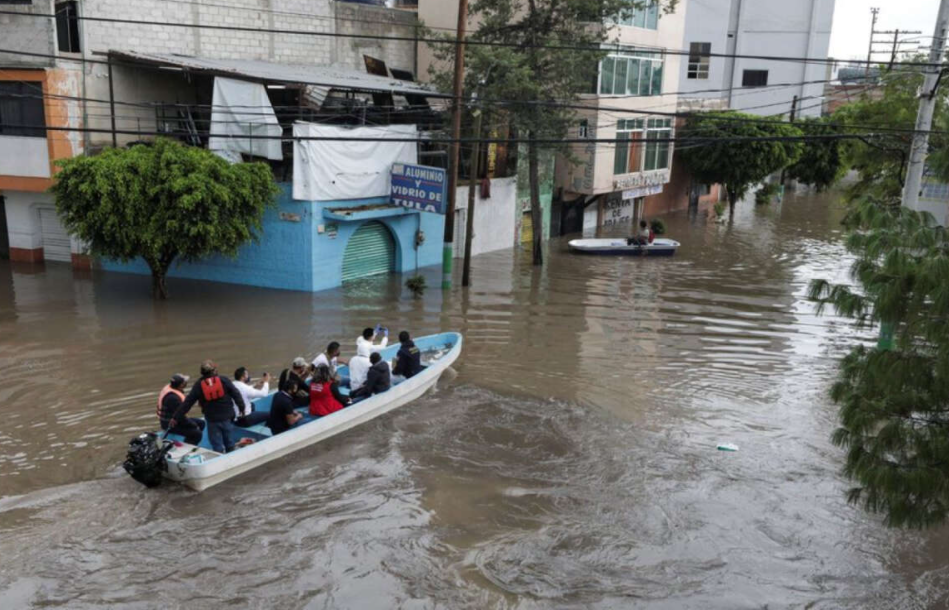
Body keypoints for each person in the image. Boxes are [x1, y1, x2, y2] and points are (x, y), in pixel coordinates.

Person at [170, 361, 245, 454]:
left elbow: (188, 403)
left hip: (212, 420)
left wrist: (175, 417)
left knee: (217, 445)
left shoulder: (198, 385)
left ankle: (219, 459)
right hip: (227, 417)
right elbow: (236, 394)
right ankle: (231, 457)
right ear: (214, 371)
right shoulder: (223, 380)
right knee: (229, 442)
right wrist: (242, 408)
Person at [157, 373, 205, 445]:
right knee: (196, 433)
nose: (186, 383)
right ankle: (188, 448)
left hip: (174, 420)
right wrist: (193, 425)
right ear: (181, 385)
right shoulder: (173, 398)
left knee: (201, 423)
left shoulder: (172, 391)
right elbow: (181, 417)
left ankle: (193, 443)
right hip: (169, 424)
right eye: (184, 382)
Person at [351, 326, 388, 391]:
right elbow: (382, 346)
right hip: (361, 387)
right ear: (371, 337)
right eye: (373, 335)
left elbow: (365, 339)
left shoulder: (353, 359)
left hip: (353, 386)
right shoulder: (369, 363)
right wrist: (385, 337)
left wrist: (375, 332)